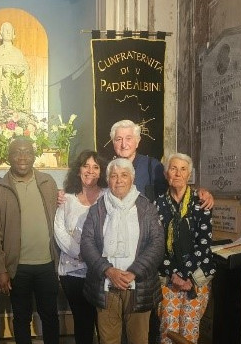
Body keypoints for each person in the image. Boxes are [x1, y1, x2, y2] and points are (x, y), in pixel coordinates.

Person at [108, 119, 214, 344]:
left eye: (129, 138)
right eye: (118, 139)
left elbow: (202, 239)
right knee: (158, 327)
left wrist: (202, 191)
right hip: (128, 261)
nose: (124, 143)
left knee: (156, 326)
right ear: (112, 142)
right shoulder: (108, 169)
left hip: (150, 261)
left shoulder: (152, 166)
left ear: (137, 141)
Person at [0, 137, 60, 344]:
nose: (23, 157)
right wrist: (0, 270)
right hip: (18, 268)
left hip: (47, 264)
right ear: (9, 157)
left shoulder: (48, 183)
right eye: (17, 152)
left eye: (27, 152)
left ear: (34, 156)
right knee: (21, 318)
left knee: (50, 316)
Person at [80, 158, 164, 344]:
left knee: (138, 340)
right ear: (108, 180)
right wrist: (108, 271)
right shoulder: (97, 209)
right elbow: (86, 244)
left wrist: (134, 272)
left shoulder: (147, 208)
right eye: (114, 176)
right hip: (106, 286)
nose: (119, 180)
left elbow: (157, 244)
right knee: (108, 340)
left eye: (124, 175)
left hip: (138, 286)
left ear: (132, 179)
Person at [155, 153, 215, 344]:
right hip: (168, 278)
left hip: (196, 278)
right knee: (167, 331)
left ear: (189, 175)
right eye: (173, 168)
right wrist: (175, 275)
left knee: (189, 332)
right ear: (166, 174)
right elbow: (157, 243)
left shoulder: (201, 201)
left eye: (183, 169)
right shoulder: (157, 204)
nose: (178, 173)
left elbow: (204, 242)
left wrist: (187, 276)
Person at [54, 150, 108, 344]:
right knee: (82, 323)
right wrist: (82, 253)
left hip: (102, 272)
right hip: (73, 272)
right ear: (78, 170)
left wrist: (93, 257)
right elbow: (59, 230)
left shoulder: (108, 197)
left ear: (102, 172)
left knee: (105, 324)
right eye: (86, 166)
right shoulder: (66, 199)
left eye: (96, 167)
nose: (90, 171)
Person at [0, 21, 30, 126]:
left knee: (17, 112)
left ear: (13, 33)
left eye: (10, 29)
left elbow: (26, 71)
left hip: (16, 93)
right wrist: (2, 71)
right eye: (5, 29)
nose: (7, 31)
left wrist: (17, 72)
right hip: (2, 93)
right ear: (1, 34)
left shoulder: (18, 53)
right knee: (3, 114)